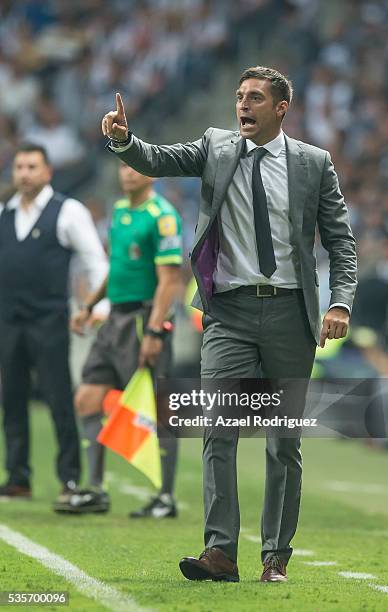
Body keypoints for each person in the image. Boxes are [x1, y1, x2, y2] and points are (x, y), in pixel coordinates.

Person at [101, 66, 357, 582]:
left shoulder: (313, 163)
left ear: (281, 108)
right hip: (229, 313)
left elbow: (341, 242)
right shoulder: (215, 147)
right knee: (218, 428)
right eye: (240, 96)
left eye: (255, 98)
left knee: (283, 439)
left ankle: (275, 557)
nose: (243, 105)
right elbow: (157, 159)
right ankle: (219, 551)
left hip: (290, 313)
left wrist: (340, 303)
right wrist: (125, 140)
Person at [57, 163, 182, 517]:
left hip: (144, 319)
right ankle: (96, 489)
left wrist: (156, 331)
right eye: (124, 166)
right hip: (115, 318)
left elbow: (169, 280)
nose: (128, 173)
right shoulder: (120, 210)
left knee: (159, 412)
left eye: (137, 167)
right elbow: (117, 266)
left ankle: (166, 496)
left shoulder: (163, 217)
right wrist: (91, 304)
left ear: (152, 174)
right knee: (87, 398)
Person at [0, 143, 107, 508]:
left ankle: (70, 478)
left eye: (32, 166)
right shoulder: (4, 211)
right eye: (19, 166)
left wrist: (100, 304)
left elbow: (94, 259)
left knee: (58, 397)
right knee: (12, 399)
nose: (24, 173)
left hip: (48, 320)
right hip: (8, 321)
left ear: (47, 172)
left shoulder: (68, 211)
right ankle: (17, 477)